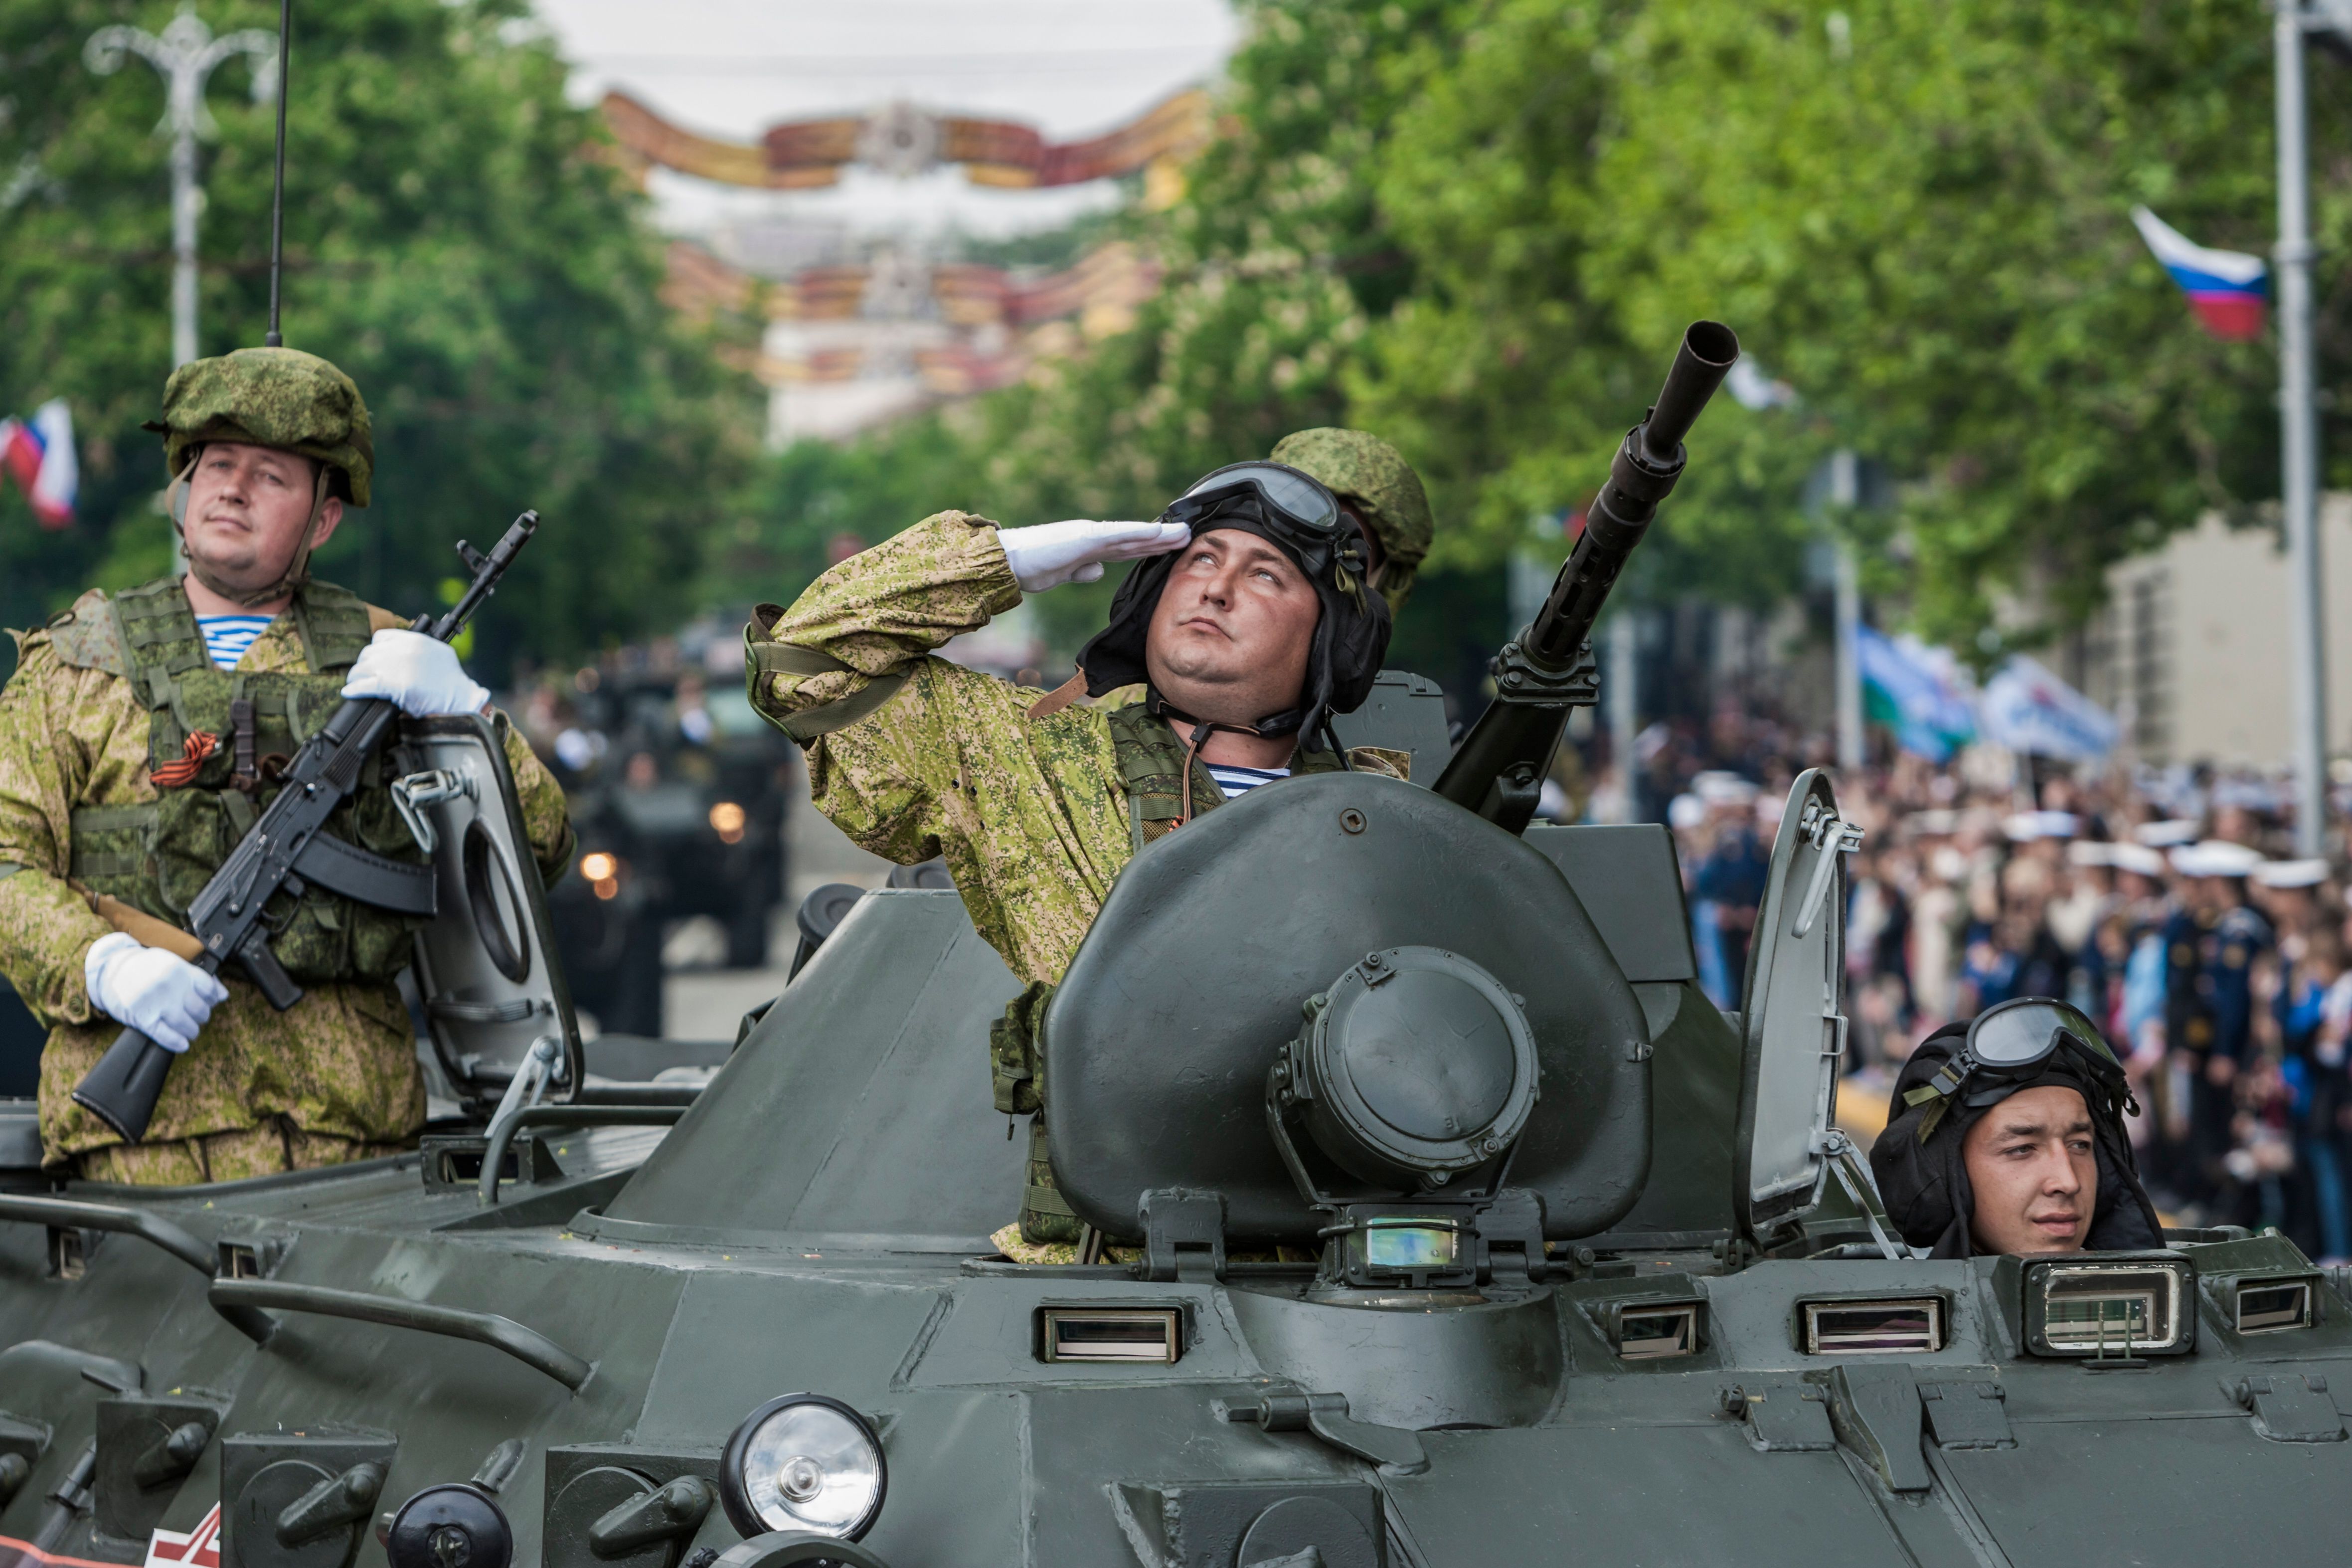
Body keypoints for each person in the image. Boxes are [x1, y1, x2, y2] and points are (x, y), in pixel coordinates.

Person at [747, 436, 1431, 1257]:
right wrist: (1000, 560)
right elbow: (803, 665)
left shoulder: (1390, 819)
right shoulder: (1029, 762)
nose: (1215, 586)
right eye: (1198, 559)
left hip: (1348, 1276)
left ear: (1333, 640)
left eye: (1264, 575)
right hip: (1100, 1283)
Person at [0, 347, 573, 1184]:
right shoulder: (77, 666)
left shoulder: (391, 666)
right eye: (216, 464)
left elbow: (542, 852)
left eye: (270, 476)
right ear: (184, 490)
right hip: (137, 1160)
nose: (231, 488)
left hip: (350, 1151)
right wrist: (100, 964)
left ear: (324, 518)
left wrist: (469, 716)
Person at [1869, 997, 2165, 1257]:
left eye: (2080, 1145)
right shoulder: (1908, 1322)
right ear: (1941, 1178)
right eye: (2022, 1149)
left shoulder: (2169, 1304)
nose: (2068, 1182)